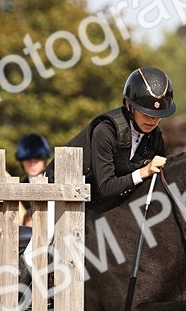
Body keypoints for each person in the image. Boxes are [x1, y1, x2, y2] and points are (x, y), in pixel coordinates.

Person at [52, 66, 174, 209]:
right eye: (146, 113)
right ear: (129, 106)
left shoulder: (155, 137)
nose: (152, 121)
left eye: (157, 116)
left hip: (99, 206)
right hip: (58, 196)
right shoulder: (106, 130)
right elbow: (106, 187)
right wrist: (144, 171)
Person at [15, 134, 50, 227]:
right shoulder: (18, 187)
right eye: (27, 159)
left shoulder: (55, 181)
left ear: (45, 159)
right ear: (21, 161)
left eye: (37, 158)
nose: (32, 163)